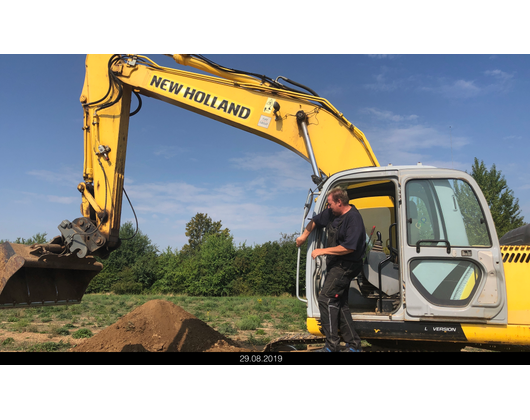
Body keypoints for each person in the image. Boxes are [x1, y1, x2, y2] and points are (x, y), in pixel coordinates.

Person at [296, 186, 365, 352]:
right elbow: (315, 221)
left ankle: (332, 346)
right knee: (340, 303)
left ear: (339, 202)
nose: (328, 207)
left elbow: (349, 247)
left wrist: (322, 251)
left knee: (325, 299)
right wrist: (304, 236)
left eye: (329, 203)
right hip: (337, 264)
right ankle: (354, 346)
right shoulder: (333, 213)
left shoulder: (353, 219)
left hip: (346, 264)